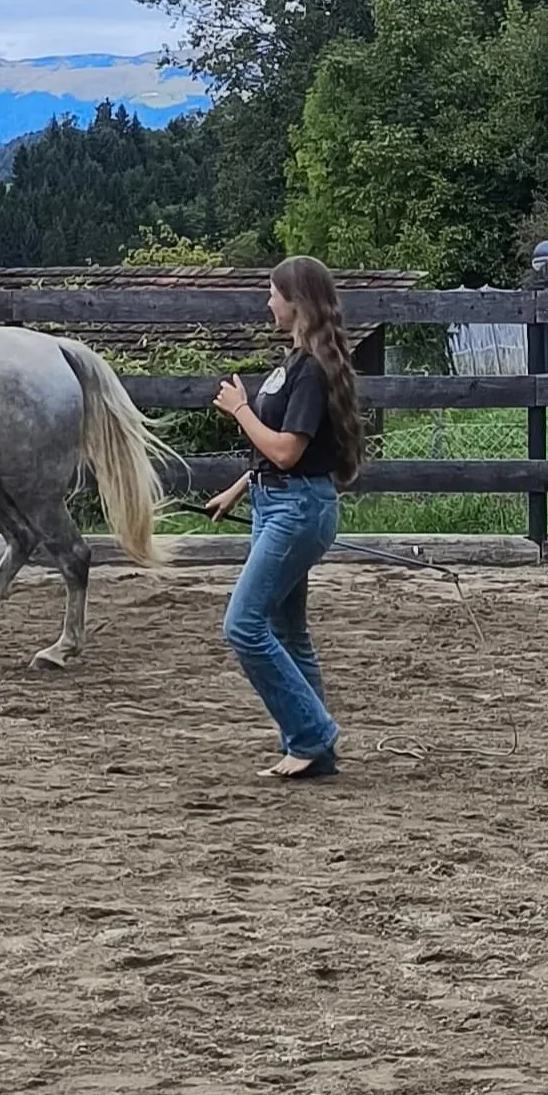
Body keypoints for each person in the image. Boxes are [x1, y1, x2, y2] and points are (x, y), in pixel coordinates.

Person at [204, 254, 366, 781]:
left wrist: (240, 410)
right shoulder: (293, 364)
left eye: (273, 293)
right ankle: (314, 750)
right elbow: (272, 459)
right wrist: (237, 489)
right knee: (287, 632)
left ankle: (312, 735)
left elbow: (288, 453)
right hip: (276, 504)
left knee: (242, 626)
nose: (267, 301)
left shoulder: (312, 372)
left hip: (297, 510)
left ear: (296, 302)